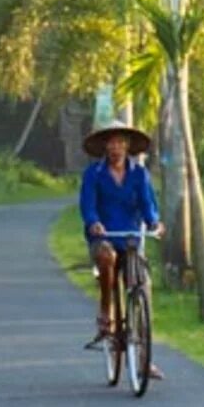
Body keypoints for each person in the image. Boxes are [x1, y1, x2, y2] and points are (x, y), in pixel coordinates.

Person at [79, 123, 164, 352]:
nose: (116, 148)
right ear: (106, 147)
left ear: (127, 146)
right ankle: (107, 314)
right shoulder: (93, 174)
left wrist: (154, 222)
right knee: (107, 257)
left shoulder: (139, 174)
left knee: (141, 285)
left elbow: (148, 205)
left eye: (120, 143)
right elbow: (88, 206)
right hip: (104, 235)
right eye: (112, 143)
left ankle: (146, 356)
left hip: (130, 237)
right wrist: (93, 222)